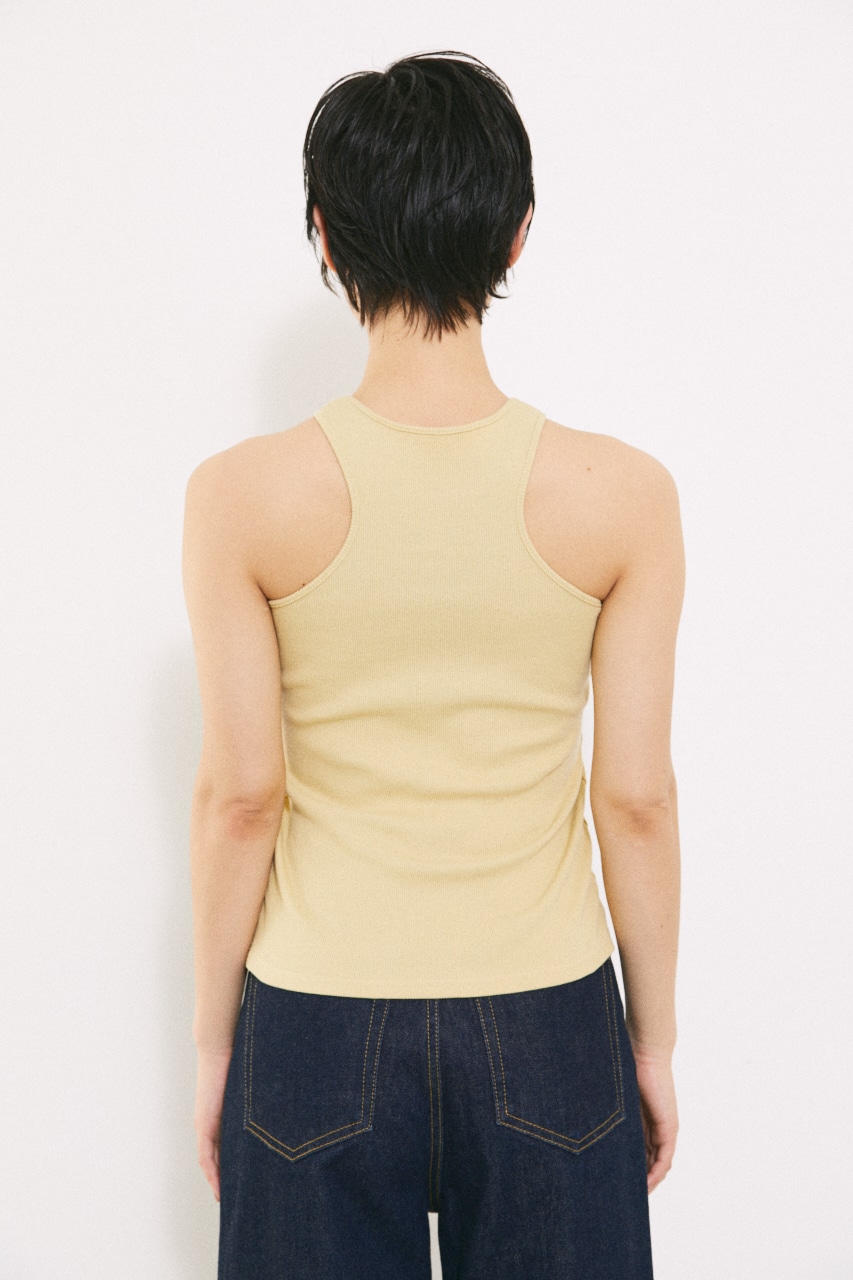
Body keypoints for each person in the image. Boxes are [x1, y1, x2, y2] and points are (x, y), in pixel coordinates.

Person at [182, 49, 684, 1279]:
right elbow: (633, 798)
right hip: (550, 1016)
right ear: (516, 233)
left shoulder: (240, 496)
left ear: (324, 234)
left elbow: (242, 797)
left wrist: (212, 1045)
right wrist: (653, 1041)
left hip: (313, 1019)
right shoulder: (622, 495)